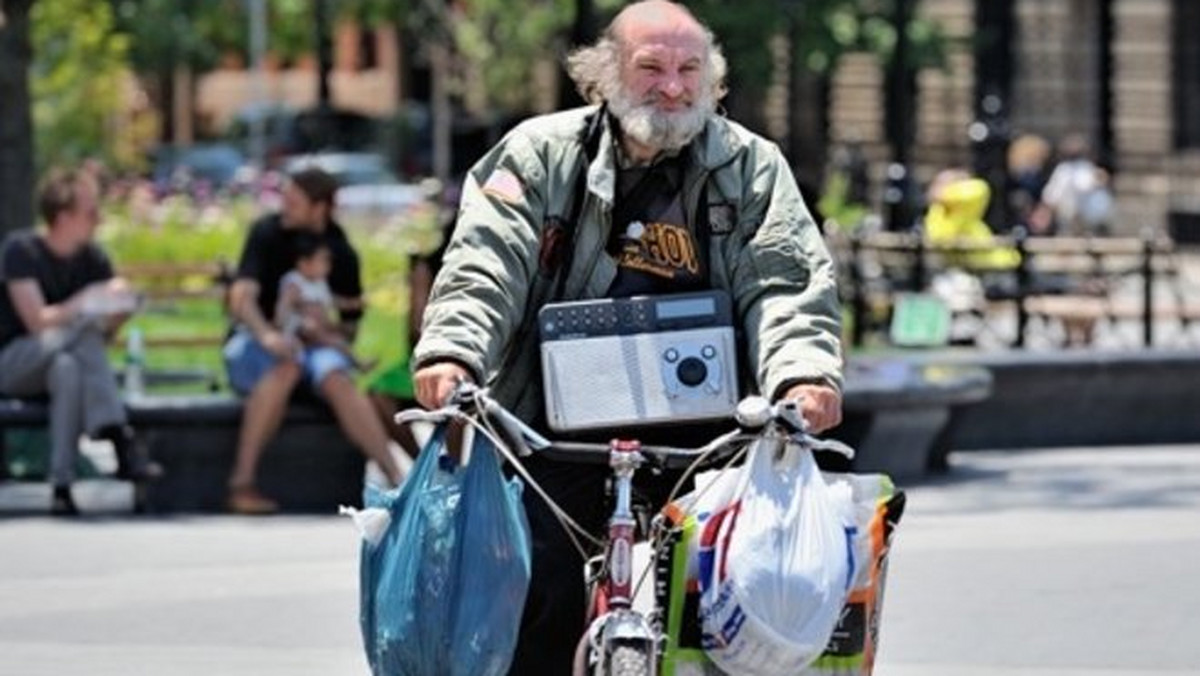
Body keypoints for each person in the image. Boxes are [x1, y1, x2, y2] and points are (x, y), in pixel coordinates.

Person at [410, 2, 843, 672]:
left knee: (741, 597)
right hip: (554, 433)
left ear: (713, 80)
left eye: (689, 69)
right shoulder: (540, 153)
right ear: (605, 75)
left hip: (712, 436)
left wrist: (803, 373)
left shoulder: (753, 168)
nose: (672, 86)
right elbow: (485, 263)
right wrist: (453, 352)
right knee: (533, 588)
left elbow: (785, 282)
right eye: (651, 68)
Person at [222, 167, 403, 515]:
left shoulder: (341, 253)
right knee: (285, 367)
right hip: (257, 342)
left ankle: (396, 479)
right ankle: (241, 484)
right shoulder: (267, 233)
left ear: (319, 208)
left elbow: (349, 329)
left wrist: (323, 329)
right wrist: (269, 335)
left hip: (316, 346)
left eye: (293, 201)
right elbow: (241, 297)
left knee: (338, 377)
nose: (283, 207)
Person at [0, 168, 159, 516]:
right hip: (14, 361)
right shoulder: (20, 250)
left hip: (59, 361)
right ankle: (117, 437)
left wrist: (120, 310)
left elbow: (102, 340)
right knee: (82, 331)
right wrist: (85, 302)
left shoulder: (93, 258)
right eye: (91, 213)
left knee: (68, 370)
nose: (99, 220)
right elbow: (36, 321)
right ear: (63, 217)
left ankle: (61, 486)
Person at [274, 232, 374, 372]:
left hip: (320, 327)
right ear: (304, 263)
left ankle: (346, 361)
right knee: (336, 342)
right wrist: (289, 324)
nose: (328, 266)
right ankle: (357, 363)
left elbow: (332, 301)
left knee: (346, 329)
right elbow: (283, 307)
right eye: (322, 261)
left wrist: (353, 303)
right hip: (300, 330)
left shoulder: (319, 284)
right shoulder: (295, 283)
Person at [1036, 133, 1115, 237]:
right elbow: (1052, 194)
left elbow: (1087, 185)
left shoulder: (1086, 168)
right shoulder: (1063, 170)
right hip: (1069, 216)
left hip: (1089, 217)